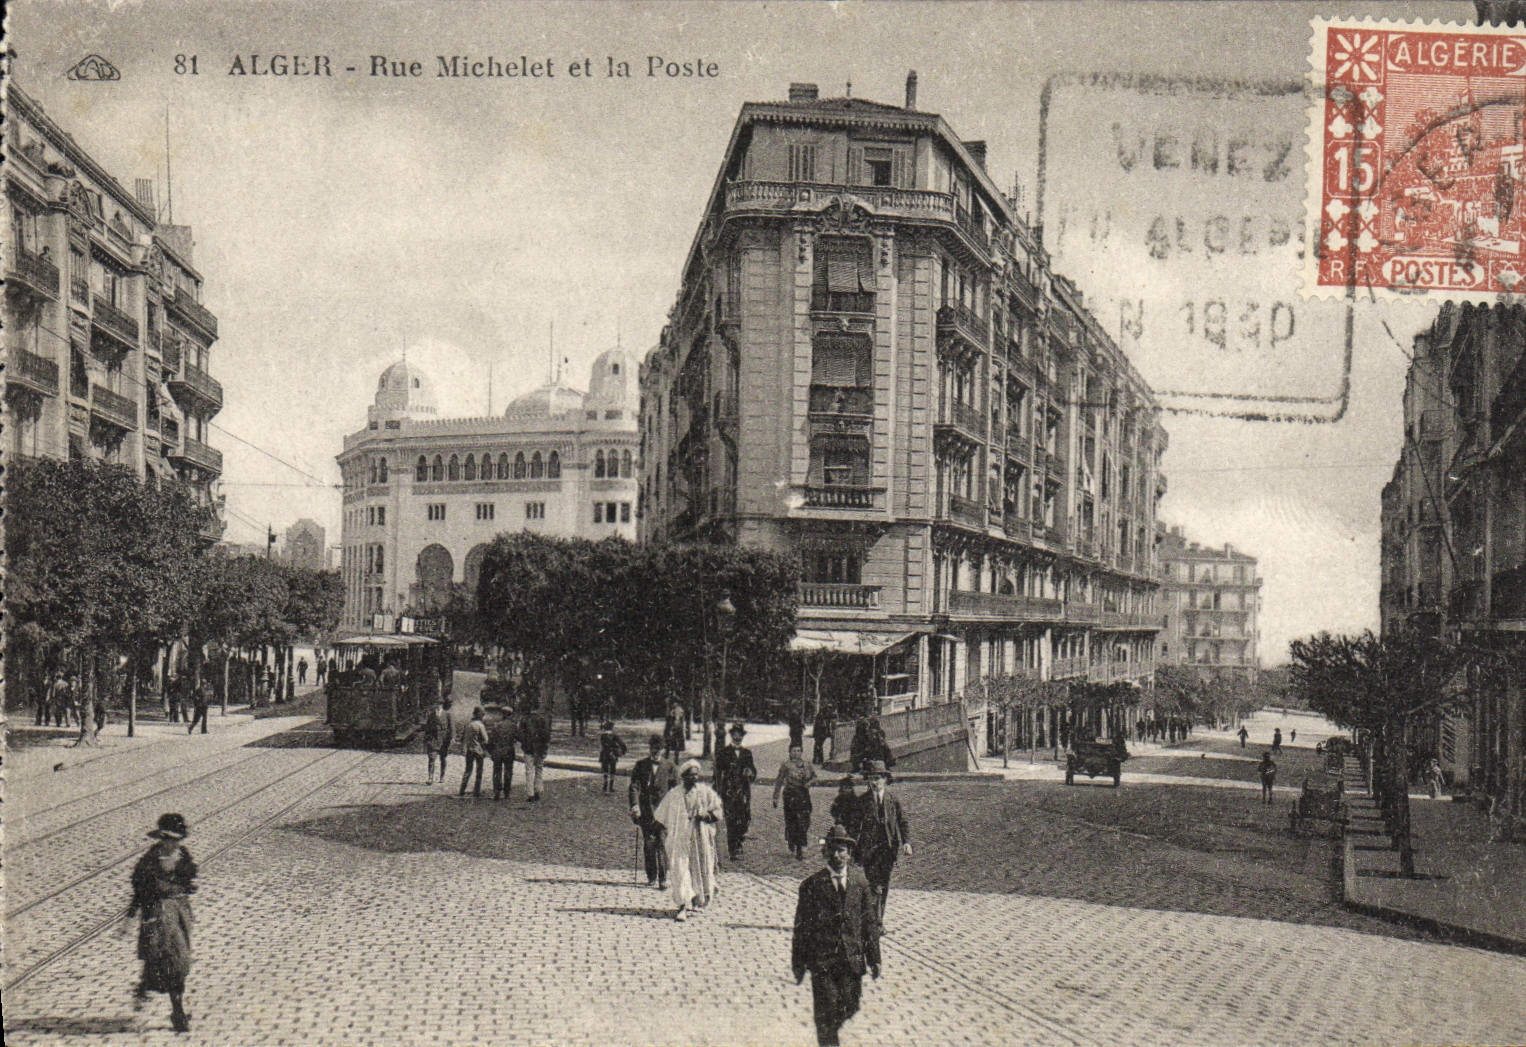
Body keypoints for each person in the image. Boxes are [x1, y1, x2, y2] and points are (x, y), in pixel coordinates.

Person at [791, 824, 881, 1047]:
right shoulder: (811, 886)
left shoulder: (860, 883)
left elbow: (869, 924)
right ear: (825, 853)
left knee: (851, 1005)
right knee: (826, 1010)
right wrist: (798, 963)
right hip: (823, 961)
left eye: (842, 851)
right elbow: (801, 929)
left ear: (849, 854)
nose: (837, 855)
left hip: (851, 960)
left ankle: (829, 1030)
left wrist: (874, 958)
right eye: (832, 850)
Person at [122, 813, 197, 1033]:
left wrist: (185, 886)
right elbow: (139, 890)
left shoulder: (183, 856)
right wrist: (129, 917)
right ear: (160, 838)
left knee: (179, 960)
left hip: (179, 913)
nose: (171, 843)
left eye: (175, 839)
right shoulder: (149, 860)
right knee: (160, 957)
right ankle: (172, 1009)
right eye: (167, 839)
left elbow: (190, 880)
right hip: (156, 914)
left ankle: (167, 1003)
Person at [655, 760, 722, 921]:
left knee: (699, 868)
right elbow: (661, 815)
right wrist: (653, 828)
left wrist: (706, 816)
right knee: (680, 870)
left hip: (699, 838)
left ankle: (697, 899)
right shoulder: (674, 794)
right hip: (679, 838)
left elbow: (717, 811)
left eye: (696, 775)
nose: (694, 778)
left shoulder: (705, 792)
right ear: (683, 776)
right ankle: (683, 905)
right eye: (691, 775)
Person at [851, 760, 911, 920]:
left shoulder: (893, 800)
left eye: (877, 778)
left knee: (884, 884)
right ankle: (873, 920)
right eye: (871, 779)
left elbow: (902, 821)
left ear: (884, 779)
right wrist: (852, 847)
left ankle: (879, 919)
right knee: (872, 884)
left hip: (888, 850)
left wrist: (906, 842)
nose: (874, 782)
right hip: (869, 850)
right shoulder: (862, 801)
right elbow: (854, 826)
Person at [629, 734, 678, 888]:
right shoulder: (641, 765)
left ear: (663, 750)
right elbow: (634, 787)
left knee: (663, 843)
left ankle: (663, 878)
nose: (655, 751)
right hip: (646, 812)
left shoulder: (670, 766)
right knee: (649, 844)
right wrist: (635, 805)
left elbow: (676, 790)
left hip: (664, 812)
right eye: (653, 748)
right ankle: (651, 876)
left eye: (658, 749)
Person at [714, 723, 758, 860]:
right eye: (735, 734)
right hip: (729, 791)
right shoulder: (724, 752)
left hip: (743, 791)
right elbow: (717, 773)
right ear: (731, 735)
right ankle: (733, 849)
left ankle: (739, 840)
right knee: (731, 820)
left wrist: (750, 773)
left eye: (740, 734)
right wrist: (717, 791)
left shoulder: (747, 753)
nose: (737, 737)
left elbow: (753, 771)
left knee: (744, 818)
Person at [773, 744, 817, 859]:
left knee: (804, 821)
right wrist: (775, 797)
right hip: (790, 795)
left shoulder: (807, 764)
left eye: (798, 751)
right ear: (790, 752)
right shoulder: (786, 765)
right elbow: (779, 781)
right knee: (793, 821)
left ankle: (799, 843)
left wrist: (809, 783)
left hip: (803, 795)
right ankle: (796, 844)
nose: (796, 753)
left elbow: (814, 777)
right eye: (794, 751)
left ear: (801, 752)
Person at [520, 701, 551, 801]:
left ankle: (530, 794)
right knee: (539, 769)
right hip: (540, 748)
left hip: (528, 748)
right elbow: (546, 735)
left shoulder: (524, 719)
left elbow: (521, 734)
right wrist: (545, 747)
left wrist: (524, 745)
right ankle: (538, 790)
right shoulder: (542, 719)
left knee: (529, 771)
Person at [488, 705, 517, 800]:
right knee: (508, 771)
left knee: (497, 771)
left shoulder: (496, 725)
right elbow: (519, 737)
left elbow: (490, 740)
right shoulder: (513, 726)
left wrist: (491, 751)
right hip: (509, 750)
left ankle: (497, 792)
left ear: (502, 714)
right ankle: (506, 792)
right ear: (510, 714)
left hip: (498, 750)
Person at [460, 707, 489, 798]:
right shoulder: (480, 725)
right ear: (480, 715)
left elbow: (463, 738)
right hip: (478, 750)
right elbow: (486, 740)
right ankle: (477, 790)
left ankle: (462, 789)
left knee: (468, 770)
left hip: (469, 750)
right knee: (479, 771)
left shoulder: (468, 725)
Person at [425, 697, 454, 784]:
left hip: (444, 740)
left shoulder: (447, 714)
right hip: (433, 739)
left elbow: (451, 727)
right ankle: (430, 778)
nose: (438, 706)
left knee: (443, 758)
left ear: (442, 705)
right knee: (432, 758)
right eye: (436, 704)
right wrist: (427, 739)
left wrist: (452, 738)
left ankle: (442, 777)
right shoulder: (431, 715)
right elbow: (427, 727)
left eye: (440, 704)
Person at [597, 719, 627, 793]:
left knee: (605, 770)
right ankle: (611, 787)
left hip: (605, 754)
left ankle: (605, 786)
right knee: (612, 770)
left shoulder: (602, 736)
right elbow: (622, 744)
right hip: (612, 754)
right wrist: (623, 751)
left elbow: (602, 745)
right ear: (612, 727)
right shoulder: (615, 735)